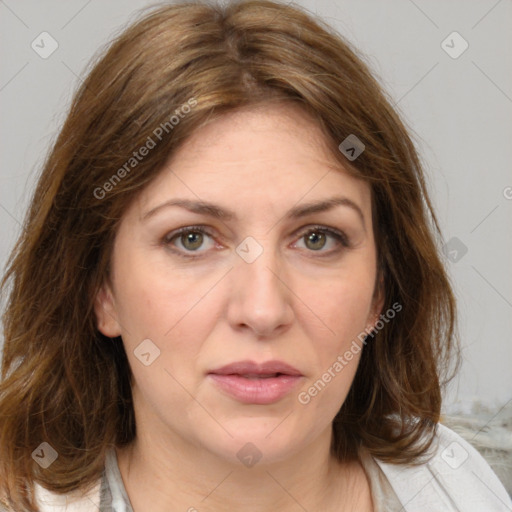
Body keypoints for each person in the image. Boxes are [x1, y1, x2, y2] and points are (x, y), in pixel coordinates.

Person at [0, 1, 510, 511]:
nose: (263, 311)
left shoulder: (480, 486)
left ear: (381, 287)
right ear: (100, 287)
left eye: (317, 239)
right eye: (192, 239)